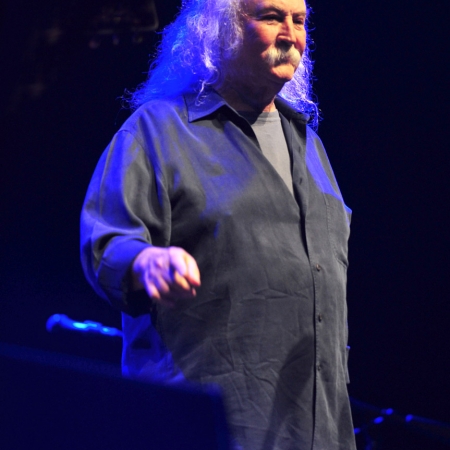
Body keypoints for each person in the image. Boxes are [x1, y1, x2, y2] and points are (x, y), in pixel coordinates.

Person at [80, 0, 356, 448]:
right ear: (221, 29)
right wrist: (145, 262)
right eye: (271, 17)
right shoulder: (158, 130)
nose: (290, 34)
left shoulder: (310, 146)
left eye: (299, 21)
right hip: (208, 429)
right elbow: (107, 241)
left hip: (317, 432)